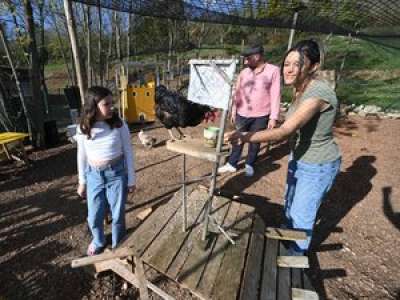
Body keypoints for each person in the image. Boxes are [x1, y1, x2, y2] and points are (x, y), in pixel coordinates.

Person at [225, 39, 341, 255]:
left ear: (313, 67)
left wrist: (244, 136)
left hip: (318, 164)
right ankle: (286, 240)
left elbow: (285, 131)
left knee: (301, 214)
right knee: (289, 202)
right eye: (286, 64)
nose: (288, 69)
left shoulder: (318, 93)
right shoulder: (299, 88)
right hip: (299, 157)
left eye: (296, 64)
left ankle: (294, 259)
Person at [76, 86, 136, 256]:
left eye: (112, 103)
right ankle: (98, 240)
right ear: (93, 106)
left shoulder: (119, 125)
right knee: (94, 216)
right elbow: (82, 155)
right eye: (106, 104)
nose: (112, 107)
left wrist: (131, 179)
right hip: (94, 176)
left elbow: (128, 152)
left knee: (117, 216)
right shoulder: (83, 128)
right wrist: (82, 182)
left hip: (116, 175)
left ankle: (118, 245)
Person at [218, 44, 281, 177]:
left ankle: (250, 163)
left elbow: (275, 94)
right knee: (237, 139)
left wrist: (273, 117)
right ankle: (232, 164)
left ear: (257, 57)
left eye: (248, 59)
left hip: (261, 115)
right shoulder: (244, 72)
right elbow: (238, 92)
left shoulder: (273, 71)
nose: (245, 62)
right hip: (242, 113)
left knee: (255, 141)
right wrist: (234, 110)